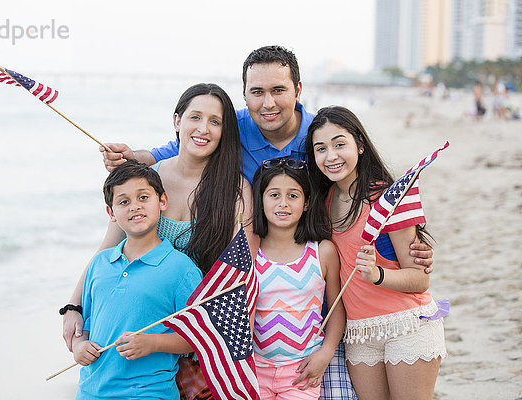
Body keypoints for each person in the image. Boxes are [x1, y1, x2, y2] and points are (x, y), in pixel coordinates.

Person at [95, 45, 434, 400]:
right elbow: (186, 144)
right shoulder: (234, 127)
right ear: (245, 95)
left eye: (278, 90)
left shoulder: (319, 135)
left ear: (298, 91)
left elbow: (366, 192)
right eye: (257, 92)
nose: (267, 103)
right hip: (262, 288)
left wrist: (406, 252)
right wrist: (135, 157)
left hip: (323, 289)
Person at [64, 83, 255, 399]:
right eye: (195, 117)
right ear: (178, 122)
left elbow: (240, 277)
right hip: (139, 331)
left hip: (194, 337)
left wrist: (227, 344)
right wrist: (73, 306)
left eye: (215, 121)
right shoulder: (146, 180)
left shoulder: (234, 191)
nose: (203, 129)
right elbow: (107, 251)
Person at [305, 106, 447, 400]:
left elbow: (420, 279)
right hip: (360, 334)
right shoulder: (324, 201)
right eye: (321, 149)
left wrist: (377, 275)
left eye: (339, 144)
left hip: (406, 325)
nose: (331, 156)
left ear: (359, 143)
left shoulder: (386, 200)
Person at [72, 160, 203, 399]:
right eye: (124, 202)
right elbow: (87, 325)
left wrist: (152, 343)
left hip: (149, 392)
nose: (135, 207)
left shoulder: (181, 269)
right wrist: (79, 347)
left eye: (143, 198)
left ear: (162, 201)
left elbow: (196, 339)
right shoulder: (100, 264)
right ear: (111, 213)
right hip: (91, 391)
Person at [251, 157, 345, 400]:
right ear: (260, 200)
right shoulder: (251, 252)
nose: (283, 203)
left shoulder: (322, 252)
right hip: (255, 369)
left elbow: (336, 308)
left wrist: (326, 352)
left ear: (306, 203)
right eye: (273, 195)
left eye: (293, 195)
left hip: (302, 370)